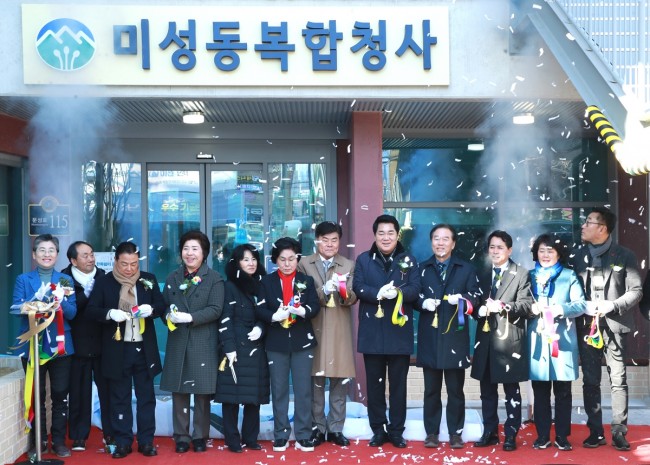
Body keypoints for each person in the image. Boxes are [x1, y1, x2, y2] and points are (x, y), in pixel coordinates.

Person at [572, 208, 642, 451]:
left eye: (588, 222)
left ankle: (619, 432)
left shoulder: (625, 255)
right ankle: (595, 432)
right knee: (590, 380)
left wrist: (613, 305)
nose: (583, 226)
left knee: (618, 379)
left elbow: (636, 291)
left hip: (615, 325)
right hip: (587, 326)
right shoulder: (577, 255)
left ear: (602, 228)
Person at [87, 241, 165, 459]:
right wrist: (110, 314)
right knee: (119, 396)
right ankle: (123, 441)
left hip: (144, 348)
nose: (129, 269)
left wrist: (151, 310)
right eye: (124, 264)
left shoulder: (148, 280)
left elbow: (161, 306)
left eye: (133, 264)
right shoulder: (104, 282)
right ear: (115, 261)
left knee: (146, 396)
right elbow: (91, 310)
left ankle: (146, 441)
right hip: (118, 348)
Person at [353, 214, 420, 449]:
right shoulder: (364, 259)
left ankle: (397, 430)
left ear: (397, 235)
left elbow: (415, 289)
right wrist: (378, 293)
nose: (386, 237)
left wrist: (398, 293)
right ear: (374, 235)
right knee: (375, 385)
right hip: (372, 332)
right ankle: (378, 430)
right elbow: (358, 286)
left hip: (399, 333)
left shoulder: (409, 260)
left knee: (398, 386)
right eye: (381, 233)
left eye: (390, 233)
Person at [11, 234, 77, 458]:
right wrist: (34, 305)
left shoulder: (65, 280)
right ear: (34, 254)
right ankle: (38, 441)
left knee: (60, 395)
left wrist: (60, 303)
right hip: (32, 345)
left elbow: (72, 313)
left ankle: (58, 441)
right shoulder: (23, 279)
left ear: (57, 254)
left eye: (51, 250)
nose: (46, 254)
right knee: (36, 395)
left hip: (61, 346)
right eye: (42, 250)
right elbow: (15, 308)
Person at [415, 224, 479, 449]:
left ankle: (455, 433)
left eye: (445, 239)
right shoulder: (421, 268)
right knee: (431, 390)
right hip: (430, 337)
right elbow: (412, 295)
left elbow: (476, 296)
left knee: (455, 390)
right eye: (436, 238)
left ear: (453, 243)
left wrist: (463, 299)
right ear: (431, 242)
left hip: (455, 337)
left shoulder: (466, 269)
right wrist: (422, 302)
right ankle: (431, 433)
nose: (440, 243)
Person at [160, 230, 224, 453]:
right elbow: (164, 306)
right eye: (186, 249)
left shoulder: (214, 278)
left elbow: (216, 309)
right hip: (178, 339)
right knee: (179, 390)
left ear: (204, 252)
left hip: (202, 340)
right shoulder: (172, 277)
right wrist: (168, 315)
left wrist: (191, 317)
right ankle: (181, 436)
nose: (190, 253)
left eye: (195, 249)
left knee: (202, 392)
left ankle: (200, 436)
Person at [254, 237, 320, 452]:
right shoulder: (267, 281)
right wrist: (273, 316)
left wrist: (303, 311)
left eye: (291, 258)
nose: (287, 263)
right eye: (282, 259)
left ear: (297, 259)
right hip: (276, 342)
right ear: (275, 260)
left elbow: (315, 307)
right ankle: (281, 434)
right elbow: (260, 309)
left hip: (302, 341)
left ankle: (303, 434)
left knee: (303, 390)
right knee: (279, 389)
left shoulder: (306, 280)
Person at [470, 230, 532, 452]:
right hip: (486, 340)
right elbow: (474, 302)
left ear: (510, 250)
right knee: (486, 391)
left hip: (509, 341)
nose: (495, 251)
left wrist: (503, 306)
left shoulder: (521, 273)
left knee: (511, 391)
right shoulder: (482, 272)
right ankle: (490, 431)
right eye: (492, 247)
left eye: (500, 247)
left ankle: (511, 433)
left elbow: (526, 305)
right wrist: (478, 310)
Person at [297, 221, 357, 447]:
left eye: (334, 240)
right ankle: (317, 428)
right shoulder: (304, 264)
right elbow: (302, 295)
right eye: (325, 240)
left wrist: (343, 291)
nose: (330, 244)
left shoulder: (348, 264)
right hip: (313, 328)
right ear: (317, 241)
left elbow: (352, 297)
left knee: (339, 381)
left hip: (339, 329)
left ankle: (336, 429)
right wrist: (322, 291)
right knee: (315, 382)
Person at [528, 234, 586, 451]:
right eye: (541, 250)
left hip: (562, 340)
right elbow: (521, 303)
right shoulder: (529, 276)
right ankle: (542, 435)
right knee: (540, 391)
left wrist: (560, 309)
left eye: (550, 251)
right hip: (537, 340)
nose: (545, 255)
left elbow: (580, 304)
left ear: (559, 254)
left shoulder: (569, 275)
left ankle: (562, 436)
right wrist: (530, 308)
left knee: (563, 391)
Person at [215, 244, 269, 453]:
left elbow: (267, 312)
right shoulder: (229, 286)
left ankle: (251, 437)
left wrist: (261, 327)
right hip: (235, 347)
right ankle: (232, 439)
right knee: (232, 396)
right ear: (237, 262)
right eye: (245, 259)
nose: (251, 263)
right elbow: (225, 318)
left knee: (253, 397)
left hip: (256, 347)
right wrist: (228, 347)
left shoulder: (262, 284)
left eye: (254, 259)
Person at [62, 240, 114, 452]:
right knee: (78, 393)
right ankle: (78, 436)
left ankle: (111, 434)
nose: (91, 258)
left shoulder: (104, 277)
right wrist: (85, 295)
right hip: (77, 344)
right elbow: (68, 311)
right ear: (73, 260)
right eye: (85, 255)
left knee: (108, 392)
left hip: (103, 344)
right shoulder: (64, 279)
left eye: (92, 254)